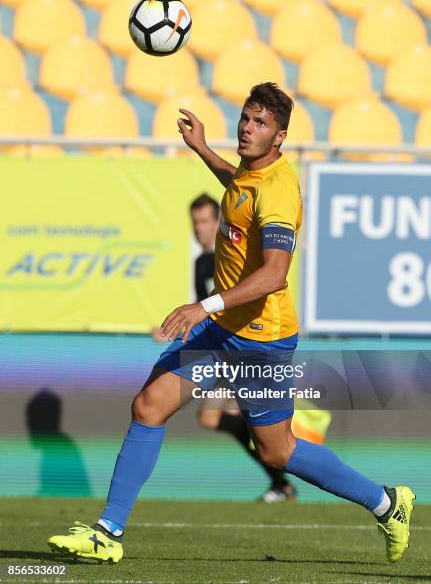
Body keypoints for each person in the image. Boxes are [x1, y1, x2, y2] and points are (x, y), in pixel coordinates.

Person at [48, 83, 415, 564]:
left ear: (279, 137)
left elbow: (274, 274)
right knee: (149, 406)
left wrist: (204, 306)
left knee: (278, 451)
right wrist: (202, 149)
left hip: (261, 341)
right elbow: (239, 189)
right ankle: (108, 531)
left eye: (260, 123)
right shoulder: (250, 173)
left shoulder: (279, 191)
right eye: (245, 117)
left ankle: (388, 504)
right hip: (223, 328)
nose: (246, 127)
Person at [190, 193, 297, 502]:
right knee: (211, 418)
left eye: (205, 221)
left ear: (219, 221)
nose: (199, 229)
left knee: (254, 429)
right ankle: (280, 480)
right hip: (224, 349)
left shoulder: (234, 258)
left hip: (248, 346)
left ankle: (282, 474)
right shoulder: (201, 263)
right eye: (195, 223)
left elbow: (262, 286)